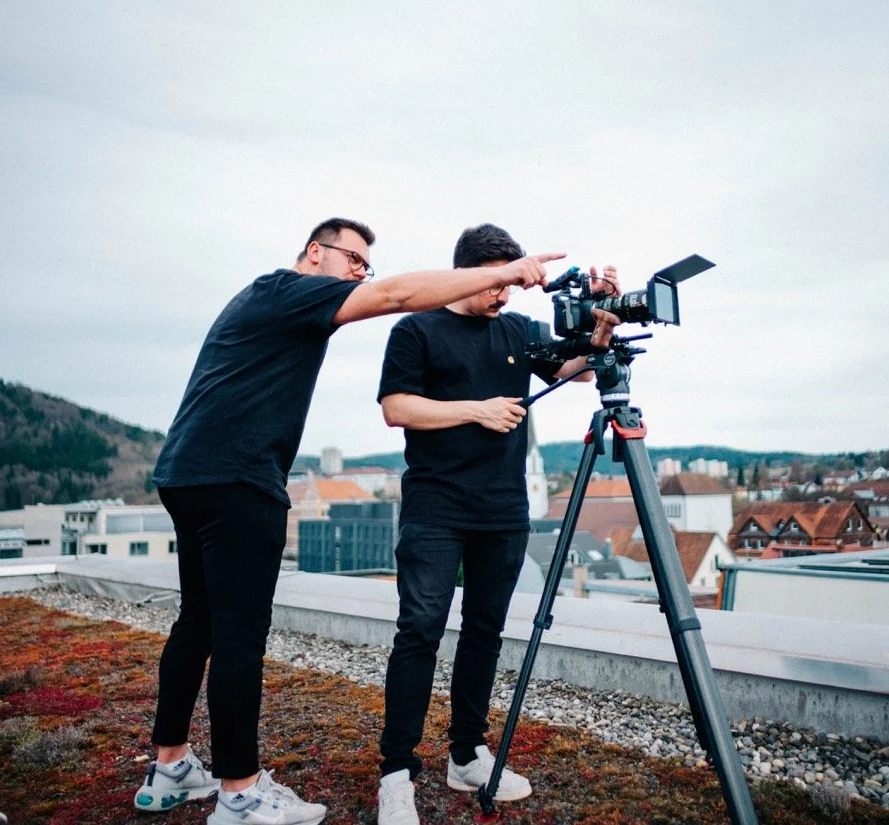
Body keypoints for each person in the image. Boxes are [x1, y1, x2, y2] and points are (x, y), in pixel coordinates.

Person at [134, 217, 565, 825]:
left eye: (366, 265)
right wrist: (510, 271)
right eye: (354, 260)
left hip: (188, 471)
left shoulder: (265, 298)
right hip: (237, 477)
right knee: (238, 637)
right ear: (316, 252)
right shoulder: (289, 291)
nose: (362, 274)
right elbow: (395, 297)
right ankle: (240, 794)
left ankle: (170, 768)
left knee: (198, 623)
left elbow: (571, 363)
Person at [374, 223, 618, 825]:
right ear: (464, 274)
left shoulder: (516, 330)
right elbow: (396, 408)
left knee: (485, 630)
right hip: (436, 504)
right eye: (496, 282)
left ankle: (467, 755)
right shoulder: (416, 329)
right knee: (420, 629)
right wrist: (477, 410)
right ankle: (396, 773)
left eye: (511, 283)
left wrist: (600, 332)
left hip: (503, 507)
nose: (505, 294)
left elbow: (576, 370)